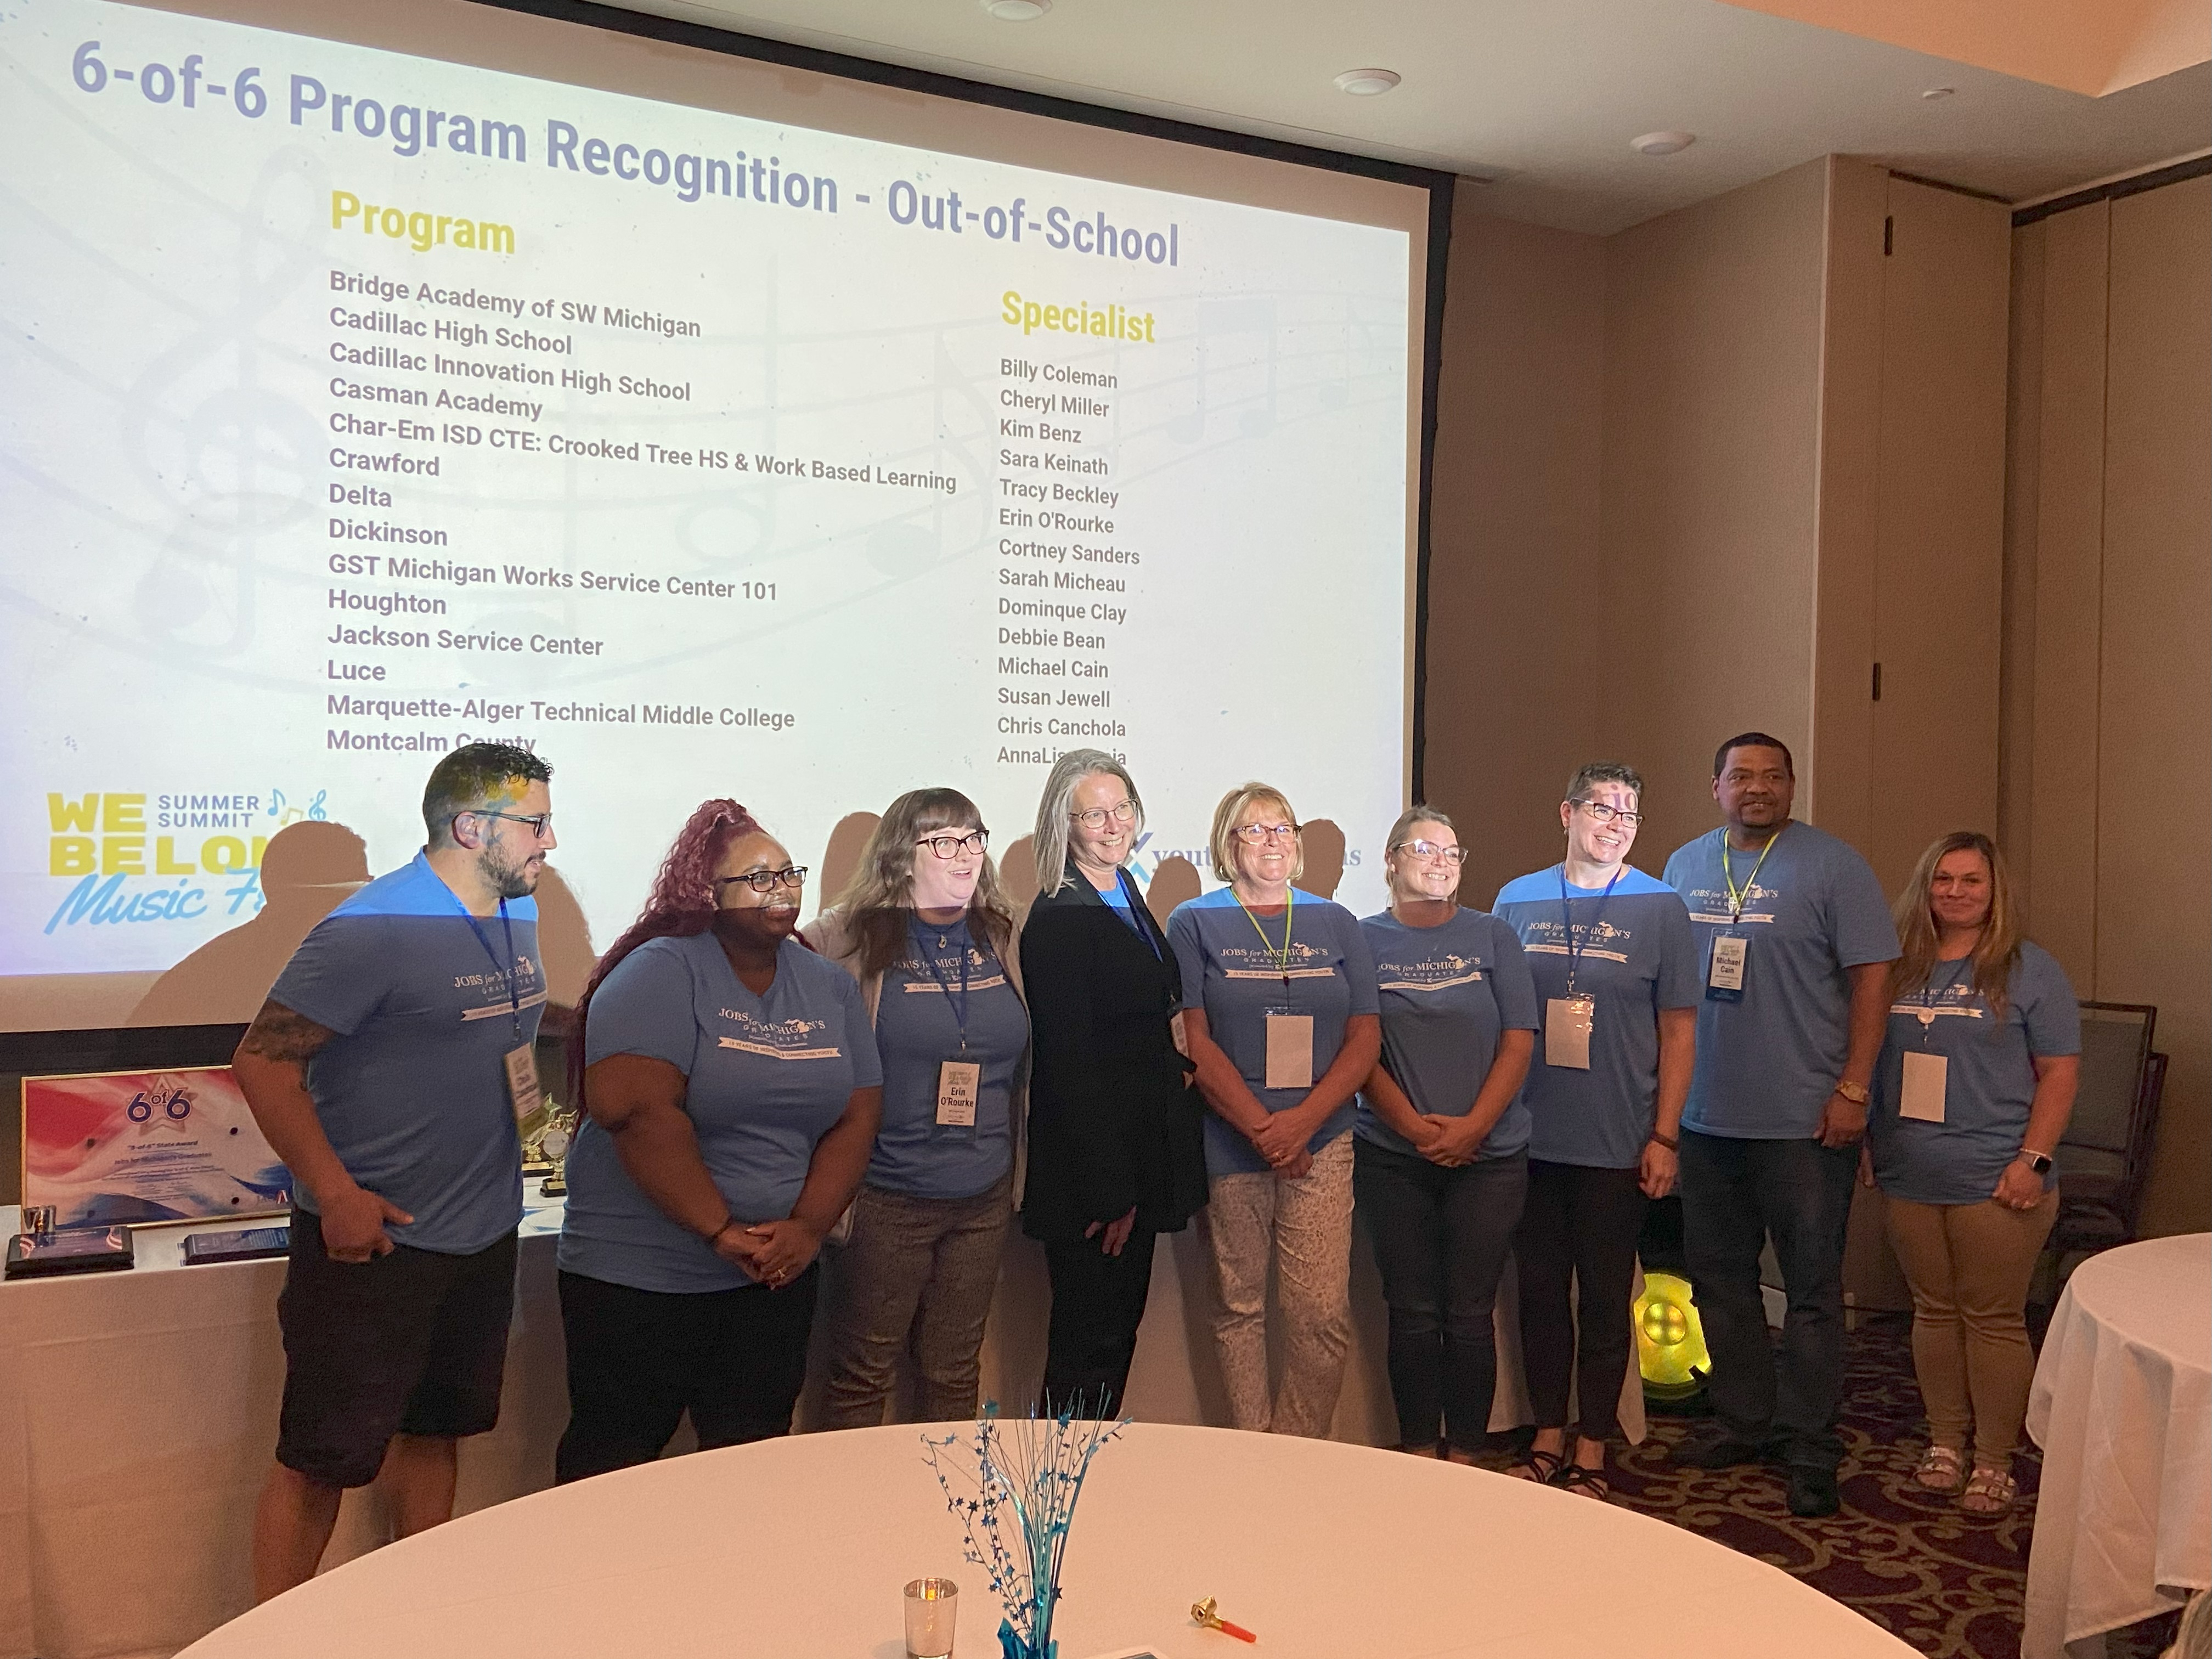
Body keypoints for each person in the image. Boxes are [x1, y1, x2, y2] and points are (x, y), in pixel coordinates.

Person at [231, 742, 556, 1600]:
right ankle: (276, 1638)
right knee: (322, 1459)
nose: (550, 843)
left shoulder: (513, 913)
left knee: (436, 1432)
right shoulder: (370, 928)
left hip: (483, 1230)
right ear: (470, 826)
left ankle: (416, 1615)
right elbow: (263, 1063)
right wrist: (335, 1195)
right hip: (377, 1243)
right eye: (535, 825)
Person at [554, 801, 882, 1481]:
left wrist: (807, 1229)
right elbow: (639, 1113)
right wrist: (720, 1230)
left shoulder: (826, 983)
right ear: (708, 893)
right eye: (758, 879)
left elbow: (856, 1115)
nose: (783, 890)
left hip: (773, 1279)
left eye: (789, 874)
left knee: (751, 1469)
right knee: (616, 1465)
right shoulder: (661, 970)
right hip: (642, 1281)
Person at [1661, 732, 1899, 1517]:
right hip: (1703, 1118)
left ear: (1792, 786)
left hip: (1805, 1121)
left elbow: (1873, 983)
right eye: (1741, 776)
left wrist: (1855, 1090)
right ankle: (1745, 1419)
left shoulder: (1836, 866)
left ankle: (1809, 1439)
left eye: (1771, 776)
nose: (1756, 788)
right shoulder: (1684, 866)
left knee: (1810, 1291)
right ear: (1716, 786)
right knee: (1721, 1283)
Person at [1496, 763, 1699, 1500]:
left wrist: (1666, 1136)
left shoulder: (1662, 907)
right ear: (1566, 812)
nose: (1614, 823)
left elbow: (1679, 1032)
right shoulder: (1516, 899)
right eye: (1601, 808)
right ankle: (1547, 1432)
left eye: (1629, 814)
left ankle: (1592, 1444)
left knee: (1607, 1297)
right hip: (1528, 1136)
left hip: (1618, 1138)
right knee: (1541, 1291)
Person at [1865, 831, 2079, 1519]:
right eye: (1943, 880)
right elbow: (1869, 1057)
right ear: (1924, 889)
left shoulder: (2029, 969)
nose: (1956, 892)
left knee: (1991, 1319)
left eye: (1972, 882)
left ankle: (1993, 1460)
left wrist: (2034, 1161)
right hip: (1910, 1169)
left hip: (1998, 1176)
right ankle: (1945, 1444)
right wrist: (1869, 1139)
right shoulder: (1897, 965)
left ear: (1995, 892)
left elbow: (2059, 1073)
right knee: (1932, 1311)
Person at [812, 789, 1030, 1427]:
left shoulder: (1002, 935)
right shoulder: (844, 939)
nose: (964, 855)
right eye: (943, 842)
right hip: (885, 1196)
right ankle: (856, 1521)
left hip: (982, 1195)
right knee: (862, 1374)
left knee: (954, 1368)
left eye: (973, 839)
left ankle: (944, 1517)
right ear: (901, 857)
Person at [1169, 782, 1380, 1438]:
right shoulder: (1194, 922)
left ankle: (1293, 1453)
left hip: (1324, 1138)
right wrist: (1263, 1128)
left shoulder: (1336, 922)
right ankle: (1248, 1455)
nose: (1271, 842)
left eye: (1282, 829)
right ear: (1227, 846)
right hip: (1234, 1140)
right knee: (1239, 1307)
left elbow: (1365, 1035)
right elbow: (1193, 1039)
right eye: (1253, 830)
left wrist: (1302, 1123)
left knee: (1319, 1313)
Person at [1020, 751, 1206, 1418]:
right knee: (1086, 1345)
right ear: (1063, 824)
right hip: (1096, 1181)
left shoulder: (1123, 889)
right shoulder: (1059, 912)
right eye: (1093, 814)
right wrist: (1111, 1189)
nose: (1112, 824)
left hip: (1138, 1154)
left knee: (1113, 1337)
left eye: (1121, 809)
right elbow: (1069, 1061)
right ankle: (1057, 1500)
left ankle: (1090, 1487)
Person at [1353, 807, 1536, 1462]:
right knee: (1411, 1312)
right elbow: (1357, 1048)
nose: (1440, 861)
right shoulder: (1361, 939)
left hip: (1489, 1158)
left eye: (1452, 852)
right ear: (1391, 860)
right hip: (1392, 1157)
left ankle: (1467, 1458)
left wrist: (1474, 1128)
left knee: (1468, 1314)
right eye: (1425, 849)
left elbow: (1520, 1040)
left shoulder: (1493, 935)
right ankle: (1417, 1455)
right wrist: (1411, 1127)